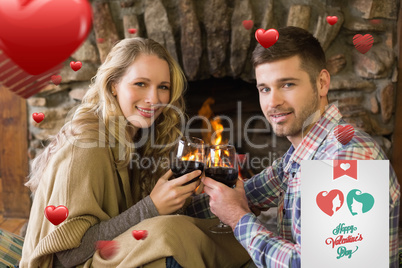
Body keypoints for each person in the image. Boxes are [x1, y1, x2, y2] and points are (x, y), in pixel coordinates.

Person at [185, 26, 400, 267]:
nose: (273, 102)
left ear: (321, 83)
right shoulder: (299, 157)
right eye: (264, 89)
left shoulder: (347, 159)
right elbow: (248, 193)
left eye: (287, 85)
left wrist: (238, 218)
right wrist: (166, 206)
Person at [20, 38, 202, 267]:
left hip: (106, 256)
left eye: (163, 87)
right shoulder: (86, 146)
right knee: (168, 236)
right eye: (141, 84)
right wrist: (152, 207)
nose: (154, 99)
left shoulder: (135, 136)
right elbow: (67, 255)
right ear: (114, 85)